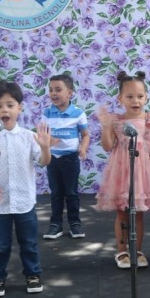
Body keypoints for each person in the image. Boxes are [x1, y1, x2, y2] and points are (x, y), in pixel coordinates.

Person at [0, 81, 51, 295]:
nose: (5, 110)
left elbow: (44, 161)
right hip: (0, 204)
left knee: (29, 243)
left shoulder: (28, 136)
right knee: (0, 245)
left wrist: (45, 147)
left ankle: (32, 274)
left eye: (10, 105)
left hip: (25, 201)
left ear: (20, 107)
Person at [94, 71, 150, 269]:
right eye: (129, 96)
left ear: (146, 97)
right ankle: (122, 251)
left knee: (138, 213)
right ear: (120, 98)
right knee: (122, 213)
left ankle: (137, 251)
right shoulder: (116, 120)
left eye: (139, 96)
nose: (135, 101)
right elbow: (107, 146)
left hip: (141, 174)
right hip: (120, 173)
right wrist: (106, 128)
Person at [41, 73, 90, 240]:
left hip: (70, 159)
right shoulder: (47, 113)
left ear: (69, 93)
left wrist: (83, 148)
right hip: (52, 159)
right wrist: (48, 142)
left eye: (58, 90)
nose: (53, 93)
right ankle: (55, 225)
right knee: (56, 193)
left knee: (71, 193)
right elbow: (43, 135)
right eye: (51, 90)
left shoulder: (78, 113)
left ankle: (75, 223)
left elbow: (85, 135)